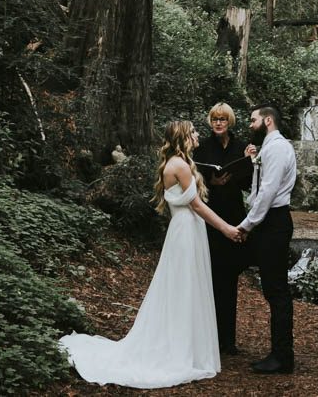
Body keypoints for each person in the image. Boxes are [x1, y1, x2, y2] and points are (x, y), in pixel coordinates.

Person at [59, 120, 242, 388]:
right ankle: (180, 349)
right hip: (186, 230)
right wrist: (226, 228)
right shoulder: (179, 165)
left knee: (184, 286)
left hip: (186, 229)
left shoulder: (179, 162)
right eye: (192, 131)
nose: (197, 134)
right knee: (184, 287)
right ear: (183, 137)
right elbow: (197, 206)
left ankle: (185, 344)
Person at [238, 104, 297, 375]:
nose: (250, 125)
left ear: (268, 120)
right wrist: (254, 162)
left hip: (272, 222)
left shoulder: (277, 148)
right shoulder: (269, 148)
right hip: (269, 221)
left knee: (277, 292)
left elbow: (268, 192)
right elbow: (262, 185)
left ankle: (282, 357)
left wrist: (247, 225)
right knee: (273, 289)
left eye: (253, 120)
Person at [193, 102, 253, 355]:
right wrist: (212, 180)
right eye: (215, 119)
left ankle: (227, 340)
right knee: (208, 278)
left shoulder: (242, 148)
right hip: (210, 218)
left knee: (228, 280)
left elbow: (249, 184)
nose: (219, 123)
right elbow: (192, 181)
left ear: (230, 122)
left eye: (223, 120)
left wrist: (250, 163)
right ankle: (206, 337)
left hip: (235, 217)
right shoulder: (202, 148)